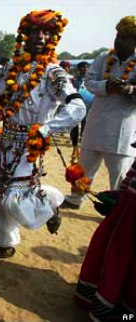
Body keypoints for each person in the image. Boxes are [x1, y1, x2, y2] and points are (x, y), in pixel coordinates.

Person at [0, 9, 86, 259]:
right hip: (6, 141)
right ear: (25, 36)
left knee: (12, 199)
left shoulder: (53, 73)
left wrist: (46, 129)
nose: (39, 37)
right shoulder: (12, 68)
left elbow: (78, 106)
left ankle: (51, 202)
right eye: (34, 31)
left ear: (53, 38)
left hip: (30, 144)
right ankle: (4, 244)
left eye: (46, 32)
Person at [62, 16, 136, 209]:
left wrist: (128, 90)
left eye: (125, 37)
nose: (118, 40)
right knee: (85, 167)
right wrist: (106, 86)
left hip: (122, 129)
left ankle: (119, 210)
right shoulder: (104, 57)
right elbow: (88, 81)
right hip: (97, 122)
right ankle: (76, 198)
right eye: (118, 36)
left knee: (119, 174)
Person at [74, 156, 136, 321]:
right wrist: (116, 199)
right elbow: (129, 181)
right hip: (127, 212)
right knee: (117, 258)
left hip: (129, 215)